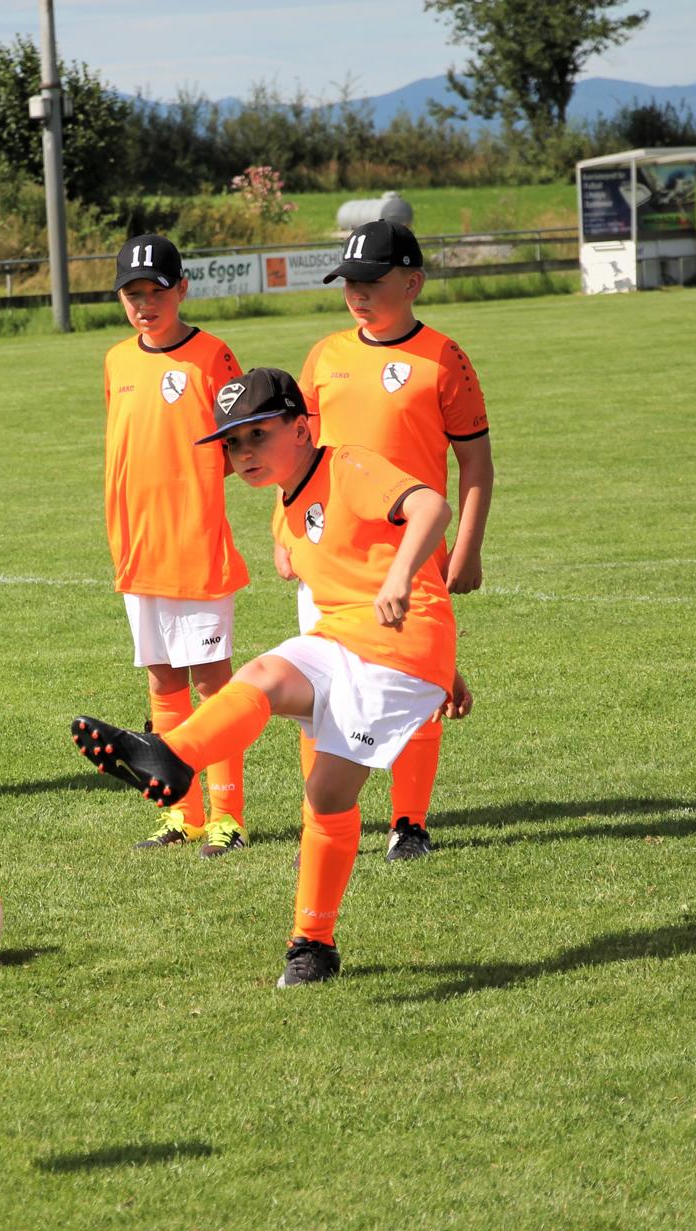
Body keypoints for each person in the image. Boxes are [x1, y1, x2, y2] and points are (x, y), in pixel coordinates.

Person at [73, 368, 468, 987]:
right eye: (233, 442)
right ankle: (173, 757)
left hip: (397, 649)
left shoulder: (349, 465)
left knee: (327, 797)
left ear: (302, 429)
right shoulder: (285, 513)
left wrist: (419, 623)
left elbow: (431, 507)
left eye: (258, 434)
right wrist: (444, 664)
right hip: (343, 639)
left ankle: (313, 941)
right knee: (262, 673)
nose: (244, 452)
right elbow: (360, 570)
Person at [294, 219, 493, 861]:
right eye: (349, 282)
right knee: (321, 690)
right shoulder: (325, 356)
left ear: (412, 284)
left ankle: (409, 823)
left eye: (372, 282)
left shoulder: (443, 357)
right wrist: (286, 532)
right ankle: (322, 822)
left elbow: (476, 462)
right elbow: (296, 456)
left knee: (416, 687)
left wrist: (468, 546)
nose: (357, 293)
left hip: (413, 556)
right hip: (332, 556)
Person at [101, 234, 250, 858]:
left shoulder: (212, 356)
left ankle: (227, 817)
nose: (144, 304)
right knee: (163, 682)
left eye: (156, 292)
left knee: (214, 685)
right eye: (132, 294)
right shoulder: (116, 360)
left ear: (182, 289)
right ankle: (180, 815)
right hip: (137, 552)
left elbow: (246, 442)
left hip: (196, 549)